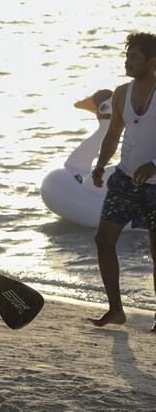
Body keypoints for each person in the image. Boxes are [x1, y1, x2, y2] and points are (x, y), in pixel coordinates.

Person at [89, 32, 156, 334]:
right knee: (104, 239)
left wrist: (154, 165)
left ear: (152, 62)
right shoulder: (120, 93)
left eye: (134, 57)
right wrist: (101, 164)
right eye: (127, 56)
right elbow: (114, 134)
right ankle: (116, 309)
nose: (127, 62)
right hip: (125, 180)